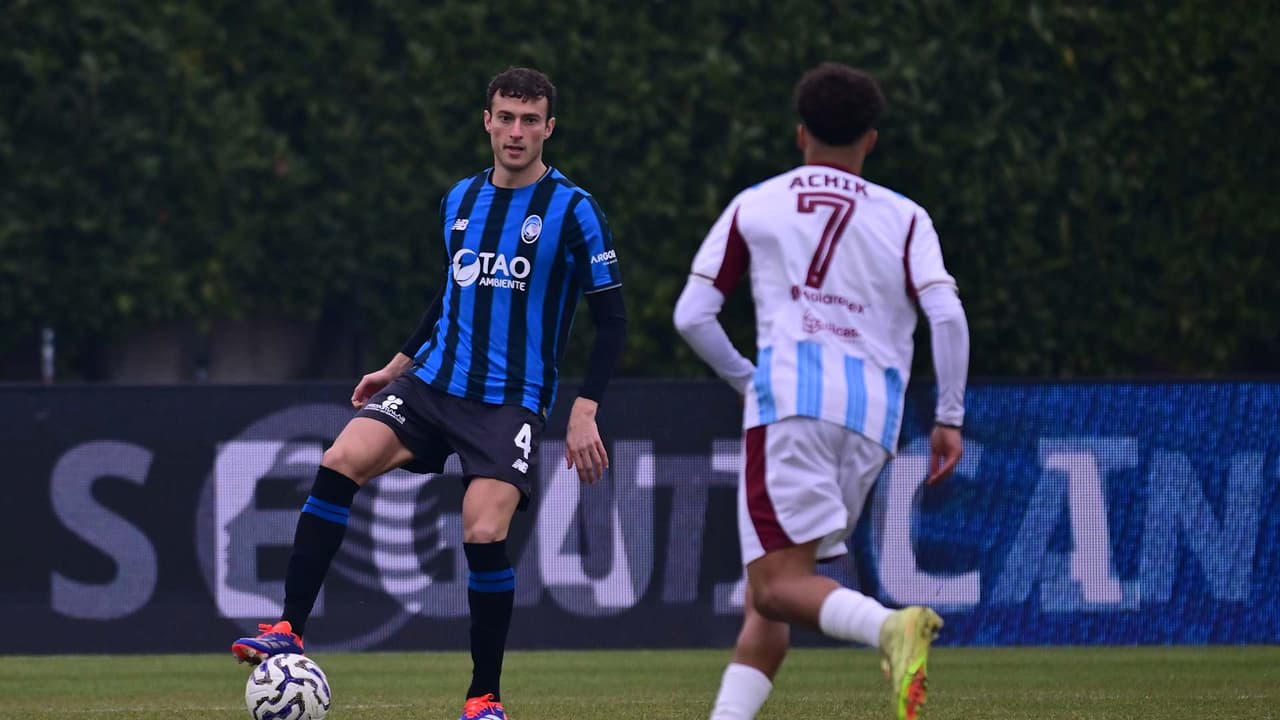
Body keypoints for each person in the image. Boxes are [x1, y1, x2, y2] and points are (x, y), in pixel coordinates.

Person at [231, 66, 627, 720]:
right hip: (433, 383)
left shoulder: (575, 211)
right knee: (338, 461)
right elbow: (451, 294)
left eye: (531, 120)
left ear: (549, 128)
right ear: (487, 121)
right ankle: (287, 629)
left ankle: (483, 698)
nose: (517, 131)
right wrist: (396, 365)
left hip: (511, 401)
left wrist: (586, 407)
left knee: (483, 528)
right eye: (506, 117)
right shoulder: (460, 201)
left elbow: (612, 319)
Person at [673, 62, 969, 720]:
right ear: (871, 140)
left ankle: (889, 627)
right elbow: (946, 315)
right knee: (771, 591)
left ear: (800, 134)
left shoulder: (759, 202)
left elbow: (692, 314)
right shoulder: (907, 217)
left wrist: (750, 380)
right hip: (872, 418)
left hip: (790, 406)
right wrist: (949, 415)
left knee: (778, 587)